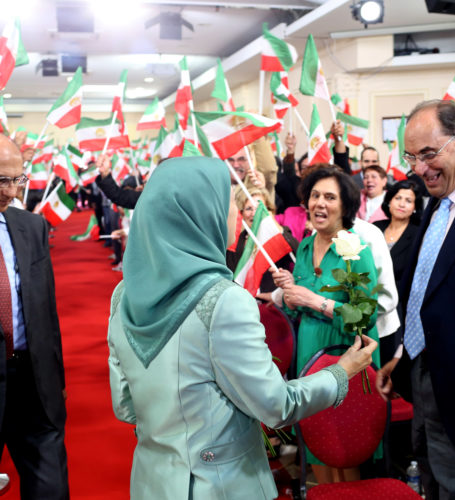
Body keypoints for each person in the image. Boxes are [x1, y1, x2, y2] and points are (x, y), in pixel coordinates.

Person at [107, 156, 377, 500]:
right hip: (219, 485)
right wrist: (341, 373)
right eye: (228, 200)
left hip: (152, 481)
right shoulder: (222, 300)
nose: (236, 211)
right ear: (203, 213)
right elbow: (277, 406)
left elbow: (126, 405)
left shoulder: (124, 294)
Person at [376, 99, 455, 500]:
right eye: (411, 156)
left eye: (429, 154)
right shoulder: (436, 201)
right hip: (427, 384)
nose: (418, 168)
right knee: (433, 483)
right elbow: (428, 293)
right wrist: (404, 359)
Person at [272, 166, 380, 484]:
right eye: (315, 195)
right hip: (309, 354)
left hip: (344, 354)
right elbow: (302, 302)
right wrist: (292, 294)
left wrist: (313, 301)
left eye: (330, 197)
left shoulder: (353, 248)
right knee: (316, 443)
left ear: (345, 207)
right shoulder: (305, 246)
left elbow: (365, 315)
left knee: (345, 445)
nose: (320, 203)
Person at [0, 135, 68, 499]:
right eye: (2, 181)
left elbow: (46, 312)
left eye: (18, 179)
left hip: (33, 382)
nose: (12, 192)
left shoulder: (31, 227)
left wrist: (55, 379)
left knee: (51, 489)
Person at [226, 186, 298, 303]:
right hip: (242, 304)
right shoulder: (233, 243)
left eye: (259, 208)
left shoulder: (279, 234)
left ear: (269, 211)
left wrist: (278, 228)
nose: (254, 213)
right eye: (249, 208)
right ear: (242, 213)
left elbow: (298, 252)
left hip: (272, 305)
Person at [374, 180, 423, 289]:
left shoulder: (418, 235)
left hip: (398, 297)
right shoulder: (375, 227)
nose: (401, 204)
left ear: (415, 207)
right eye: (398, 198)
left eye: (408, 201)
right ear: (389, 201)